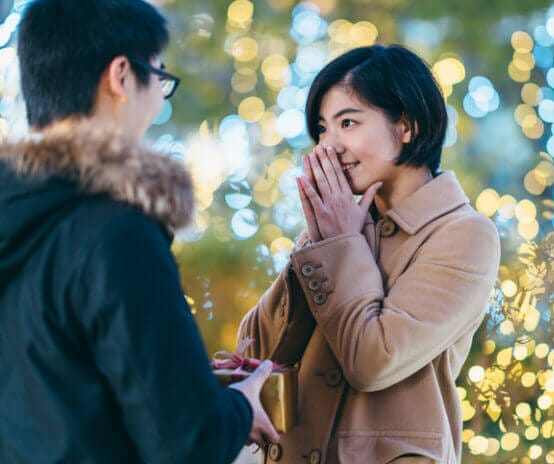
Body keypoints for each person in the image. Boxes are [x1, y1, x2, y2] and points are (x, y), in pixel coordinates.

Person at [0, 1, 278, 462]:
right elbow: (186, 441)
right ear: (122, 76)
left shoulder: (19, 219)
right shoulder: (116, 230)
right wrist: (239, 407)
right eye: (161, 76)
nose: (160, 98)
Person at [238, 44, 501, 463]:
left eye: (348, 122)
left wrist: (340, 245)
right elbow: (256, 352)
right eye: (322, 129)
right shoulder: (342, 226)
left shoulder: (465, 235)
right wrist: (317, 242)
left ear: (407, 125)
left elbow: (373, 361)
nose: (329, 146)